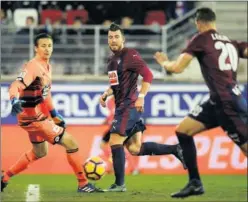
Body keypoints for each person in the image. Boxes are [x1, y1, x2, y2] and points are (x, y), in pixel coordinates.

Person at [153, 7, 248, 198]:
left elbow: (178, 68)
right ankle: (195, 183)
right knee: (183, 131)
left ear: (198, 22)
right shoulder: (230, 41)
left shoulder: (200, 39)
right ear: (214, 21)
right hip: (218, 100)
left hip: (227, 104)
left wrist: (164, 63)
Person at [1, 33, 102, 193]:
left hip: (32, 117)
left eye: (49, 46)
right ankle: (83, 184)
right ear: (36, 48)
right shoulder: (32, 66)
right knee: (71, 143)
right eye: (43, 46)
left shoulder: (47, 67)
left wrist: (54, 114)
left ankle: (4, 178)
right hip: (33, 118)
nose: (47, 49)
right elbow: (16, 85)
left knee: (40, 151)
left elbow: (46, 94)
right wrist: (13, 99)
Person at [99, 23, 187, 192]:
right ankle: (175, 149)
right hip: (123, 107)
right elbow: (115, 86)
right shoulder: (111, 61)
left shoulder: (130, 55)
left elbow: (148, 74)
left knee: (115, 141)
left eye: (116, 36)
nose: (113, 40)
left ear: (123, 39)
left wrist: (141, 97)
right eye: (110, 37)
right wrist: (105, 94)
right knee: (134, 148)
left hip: (129, 106)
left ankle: (119, 184)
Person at [99, 96, 140, 175]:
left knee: (123, 148)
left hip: (121, 127)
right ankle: (113, 166)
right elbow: (112, 113)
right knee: (103, 145)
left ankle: (134, 168)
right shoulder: (111, 100)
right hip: (113, 128)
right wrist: (107, 120)